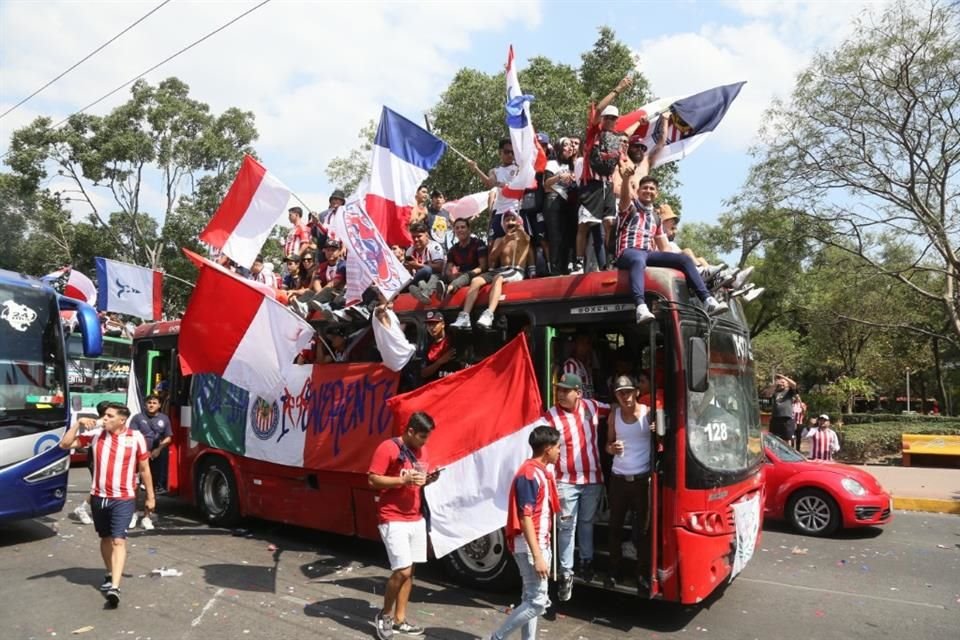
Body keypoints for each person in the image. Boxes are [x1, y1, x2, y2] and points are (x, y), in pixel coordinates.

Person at [59, 403, 154, 608]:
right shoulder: (96, 435)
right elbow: (65, 445)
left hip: (124, 497)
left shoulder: (136, 437)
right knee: (105, 538)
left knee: (119, 540)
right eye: (104, 415)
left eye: (110, 416)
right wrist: (77, 424)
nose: (105, 418)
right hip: (98, 497)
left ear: (122, 420)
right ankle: (110, 572)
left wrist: (150, 497)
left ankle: (115, 587)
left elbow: (144, 468)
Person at [615, 164, 727, 323]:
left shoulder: (655, 217)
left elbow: (664, 248)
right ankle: (640, 306)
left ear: (656, 193)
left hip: (648, 254)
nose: (648, 191)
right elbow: (625, 197)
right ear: (639, 191)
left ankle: (707, 299)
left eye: (652, 189)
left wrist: (672, 263)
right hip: (628, 252)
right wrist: (626, 178)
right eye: (645, 188)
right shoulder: (630, 208)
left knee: (683, 259)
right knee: (638, 260)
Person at [368, 412, 441, 640]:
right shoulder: (387, 448)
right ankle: (385, 615)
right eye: (421, 437)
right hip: (393, 517)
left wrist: (429, 479)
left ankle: (400, 619)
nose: (424, 442)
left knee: (410, 573)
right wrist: (403, 480)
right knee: (402, 570)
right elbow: (372, 479)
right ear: (410, 431)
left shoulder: (422, 450)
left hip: (415, 517)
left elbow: (420, 479)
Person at [541, 373, 609, 601]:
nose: (560, 394)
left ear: (578, 393)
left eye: (565, 390)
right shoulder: (551, 416)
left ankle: (586, 562)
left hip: (592, 480)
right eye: (559, 389)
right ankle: (566, 574)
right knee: (567, 528)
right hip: (565, 482)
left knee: (587, 523)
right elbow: (543, 447)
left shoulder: (591, 407)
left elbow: (617, 409)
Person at [489, 425, 561, 640]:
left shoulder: (537, 472)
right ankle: (497, 637)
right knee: (538, 603)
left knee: (530, 598)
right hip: (532, 546)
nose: (559, 452)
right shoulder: (530, 475)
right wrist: (538, 555)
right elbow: (525, 517)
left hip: (536, 544)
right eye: (558, 447)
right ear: (547, 448)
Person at [571, 74, 634, 274]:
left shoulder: (617, 140)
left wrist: (626, 172)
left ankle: (610, 260)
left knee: (609, 224)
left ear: (617, 121)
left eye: (613, 118)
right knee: (584, 225)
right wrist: (619, 88)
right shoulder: (593, 134)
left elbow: (622, 162)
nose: (609, 120)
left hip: (607, 187)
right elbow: (598, 109)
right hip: (591, 186)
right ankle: (579, 262)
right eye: (607, 117)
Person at [603, 376, 653, 591]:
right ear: (616, 396)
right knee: (614, 527)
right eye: (620, 392)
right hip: (618, 479)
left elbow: (662, 442)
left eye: (628, 391)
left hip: (642, 481)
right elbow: (607, 444)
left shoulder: (649, 413)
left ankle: (641, 574)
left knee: (642, 530)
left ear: (637, 392)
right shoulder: (614, 416)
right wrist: (611, 449)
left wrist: (657, 432)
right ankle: (614, 571)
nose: (625, 396)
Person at [449, 210, 533, 330]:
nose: (510, 222)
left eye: (513, 219)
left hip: (515, 270)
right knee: (476, 280)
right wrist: (504, 241)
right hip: (500, 269)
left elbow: (526, 239)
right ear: (503, 224)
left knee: (498, 278)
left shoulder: (524, 238)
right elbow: (492, 259)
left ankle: (489, 314)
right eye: (507, 220)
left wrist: (519, 228)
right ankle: (465, 317)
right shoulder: (499, 240)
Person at [129, 393, 172, 527]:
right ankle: (133, 513)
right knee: (134, 486)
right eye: (149, 403)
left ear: (159, 405)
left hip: (155, 457)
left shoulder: (164, 419)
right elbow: (132, 436)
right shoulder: (137, 418)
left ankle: (147, 516)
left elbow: (168, 437)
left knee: (150, 487)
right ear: (145, 404)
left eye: (154, 403)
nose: (151, 405)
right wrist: (142, 452)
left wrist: (158, 449)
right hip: (138, 457)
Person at [466, 138, 521, 241]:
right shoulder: (494, 171)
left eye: (512, 152)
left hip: (516, 209)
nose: (510, 155)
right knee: (492, 243)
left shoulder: (519, 168)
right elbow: (490, 184)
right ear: (500, 152)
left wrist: (504, 184)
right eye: (506, 152)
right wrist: (476, 169)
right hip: (500, 210)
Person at [72, 400, 111, 525]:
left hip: (108, 458)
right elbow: (76, 442)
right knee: (99, 487)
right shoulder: (96, 426)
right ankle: (82, 509)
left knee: (105, 486)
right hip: (96, 459)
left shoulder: (110, 424)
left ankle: (101, 511)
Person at [542, 136, 577, 275]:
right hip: (553, 201)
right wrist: (559, 177)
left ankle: (566, 267)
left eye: (571, 145)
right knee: (555, 237)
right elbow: (546, 184)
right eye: (566, 145)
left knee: (567, 236)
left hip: (567, 204)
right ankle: (555, 270)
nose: (569, 148)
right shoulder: (552, 164)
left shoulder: (572, 165)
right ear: (559, 147)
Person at [443, 218, 488, 297]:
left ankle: (449, 289)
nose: (460, 230)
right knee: (440, 276)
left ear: (469, 229)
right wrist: (452, 275)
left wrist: (469, 274)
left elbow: (483, 266)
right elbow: (448, 270)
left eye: (463, 227)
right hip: (460, 275)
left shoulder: (478, 243)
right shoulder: (453, 250)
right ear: (454, 231)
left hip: (476, 274)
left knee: (465, 276)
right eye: (457, 228)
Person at [404, 222, 446, 304]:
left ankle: (423, 293)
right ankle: (425, 292)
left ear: (426, 235)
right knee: (421, 275)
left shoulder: (434, 246)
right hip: (416, 278)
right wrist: (408, 268)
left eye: (419, 236)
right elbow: (409, 273)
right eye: (413, 237)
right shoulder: (409, 251)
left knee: (428, 271)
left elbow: (440, 267)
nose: (416, 240)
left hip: (432, 276)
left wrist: (418, 266)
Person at [420, 311, 461, 381]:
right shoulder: (427, 347)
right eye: (429, 325)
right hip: (436, 386)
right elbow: (423, 373)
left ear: (443, 324)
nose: (431, 327)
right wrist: (439, 362)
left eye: (434, 324)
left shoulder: (453, 341)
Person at [561, 332, 595, 399]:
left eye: (587, 343)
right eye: (582, 343)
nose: (585, 346)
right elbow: (571, 395)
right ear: (575, 345)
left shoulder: (587, 365)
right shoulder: (571, 365)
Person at [766, 374, 798, 443]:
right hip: (775, 418)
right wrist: (775, 384)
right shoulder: (775, 392)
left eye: (784, 382)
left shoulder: (789, 392)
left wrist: (783, 377)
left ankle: (787, 452)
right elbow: (768, 394)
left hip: (786, 418)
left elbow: (794, 384)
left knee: (787, 438)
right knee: (773, 438)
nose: (782, 383)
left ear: (787, 384)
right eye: (781, 382)